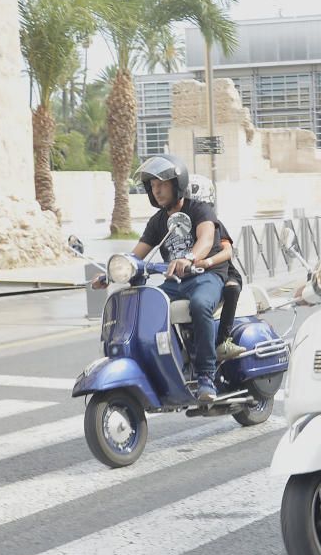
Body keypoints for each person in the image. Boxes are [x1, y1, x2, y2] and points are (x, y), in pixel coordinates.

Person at [94, 155, 227, 402]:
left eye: (162, 184)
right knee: (147, 307)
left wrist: (189, 258)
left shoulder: (199, 209)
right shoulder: (158, 222)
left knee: (200, 305)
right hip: (176, 282)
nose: (157, 190)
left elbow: (206, 240)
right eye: (153, 186)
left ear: (177, 183)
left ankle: (206, 375)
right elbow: (136, 254)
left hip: (206, 275)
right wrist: (111, 273)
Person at [187, 174, 246, 361]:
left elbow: (228, 252)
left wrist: (208, 262)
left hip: (221, 271)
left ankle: (223, 341)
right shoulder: (180, 227)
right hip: (195, 274)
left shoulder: (214, 224)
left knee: (231, 289)